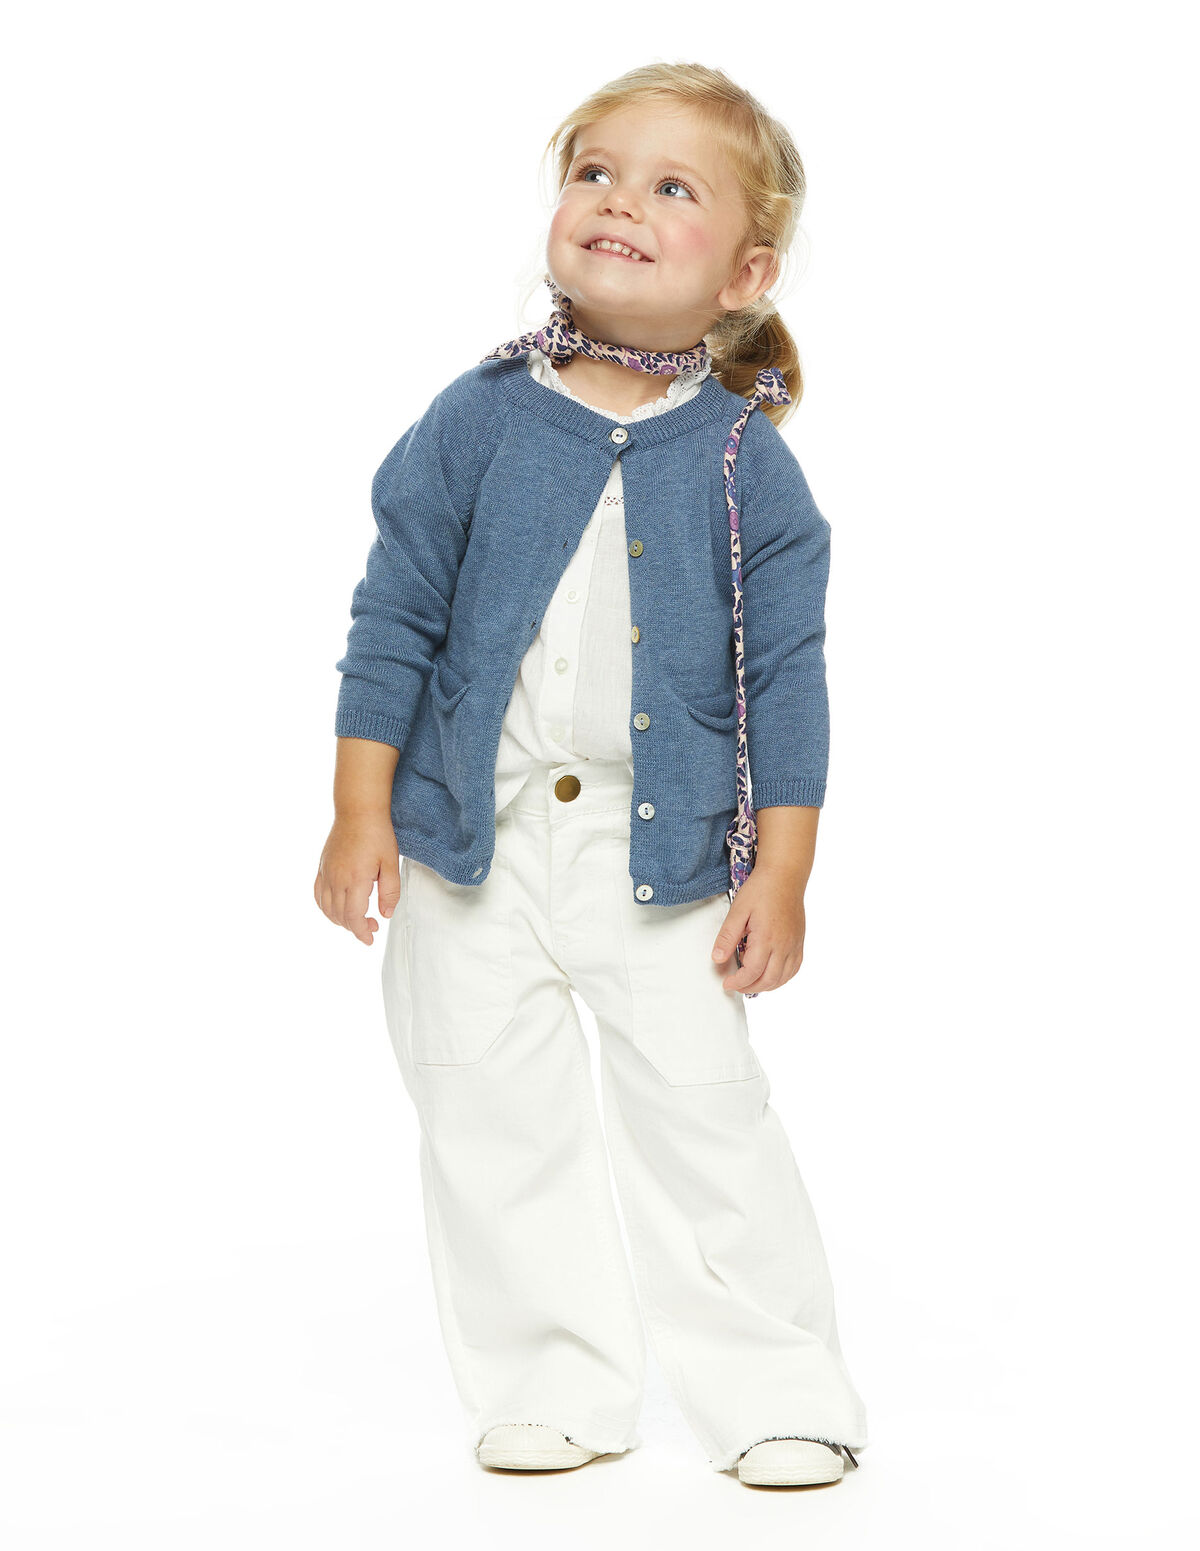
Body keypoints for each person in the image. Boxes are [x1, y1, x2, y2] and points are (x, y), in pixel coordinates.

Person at [314, 61, 869, 1488]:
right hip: (465, 844)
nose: (618, 201)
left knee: (705, 1116)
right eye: (595, 171)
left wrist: (783, 873)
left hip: (664, 859)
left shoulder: (747, 465)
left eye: (671, 186)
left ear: (745, 274)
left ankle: (776, 1390)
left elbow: (786, 682)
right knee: (489, 1115)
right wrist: (359, 807)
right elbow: (395, 614)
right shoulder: (479, 416)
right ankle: (551, 1384)